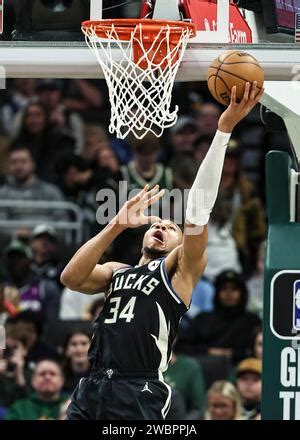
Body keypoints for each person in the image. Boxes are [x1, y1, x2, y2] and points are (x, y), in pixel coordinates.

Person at [60, 83, 263, 420]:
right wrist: (115, 225)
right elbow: (71, 277)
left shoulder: (179, 271)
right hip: (92, 385)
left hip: (139, 389)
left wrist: (223, 130)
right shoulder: (116, 271)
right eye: (157, 224)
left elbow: (197, 211)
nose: (162, 227)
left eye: (172, 229)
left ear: (182, 247)